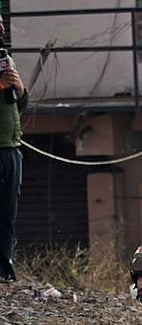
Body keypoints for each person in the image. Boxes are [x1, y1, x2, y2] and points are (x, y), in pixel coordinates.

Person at [0, 14, 28, 283]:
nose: (1, 27)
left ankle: (4, 267)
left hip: (11, 147)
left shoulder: (5, 59)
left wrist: (19, 88)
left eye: (1, 22)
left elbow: (17, 107)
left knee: (8, 212)